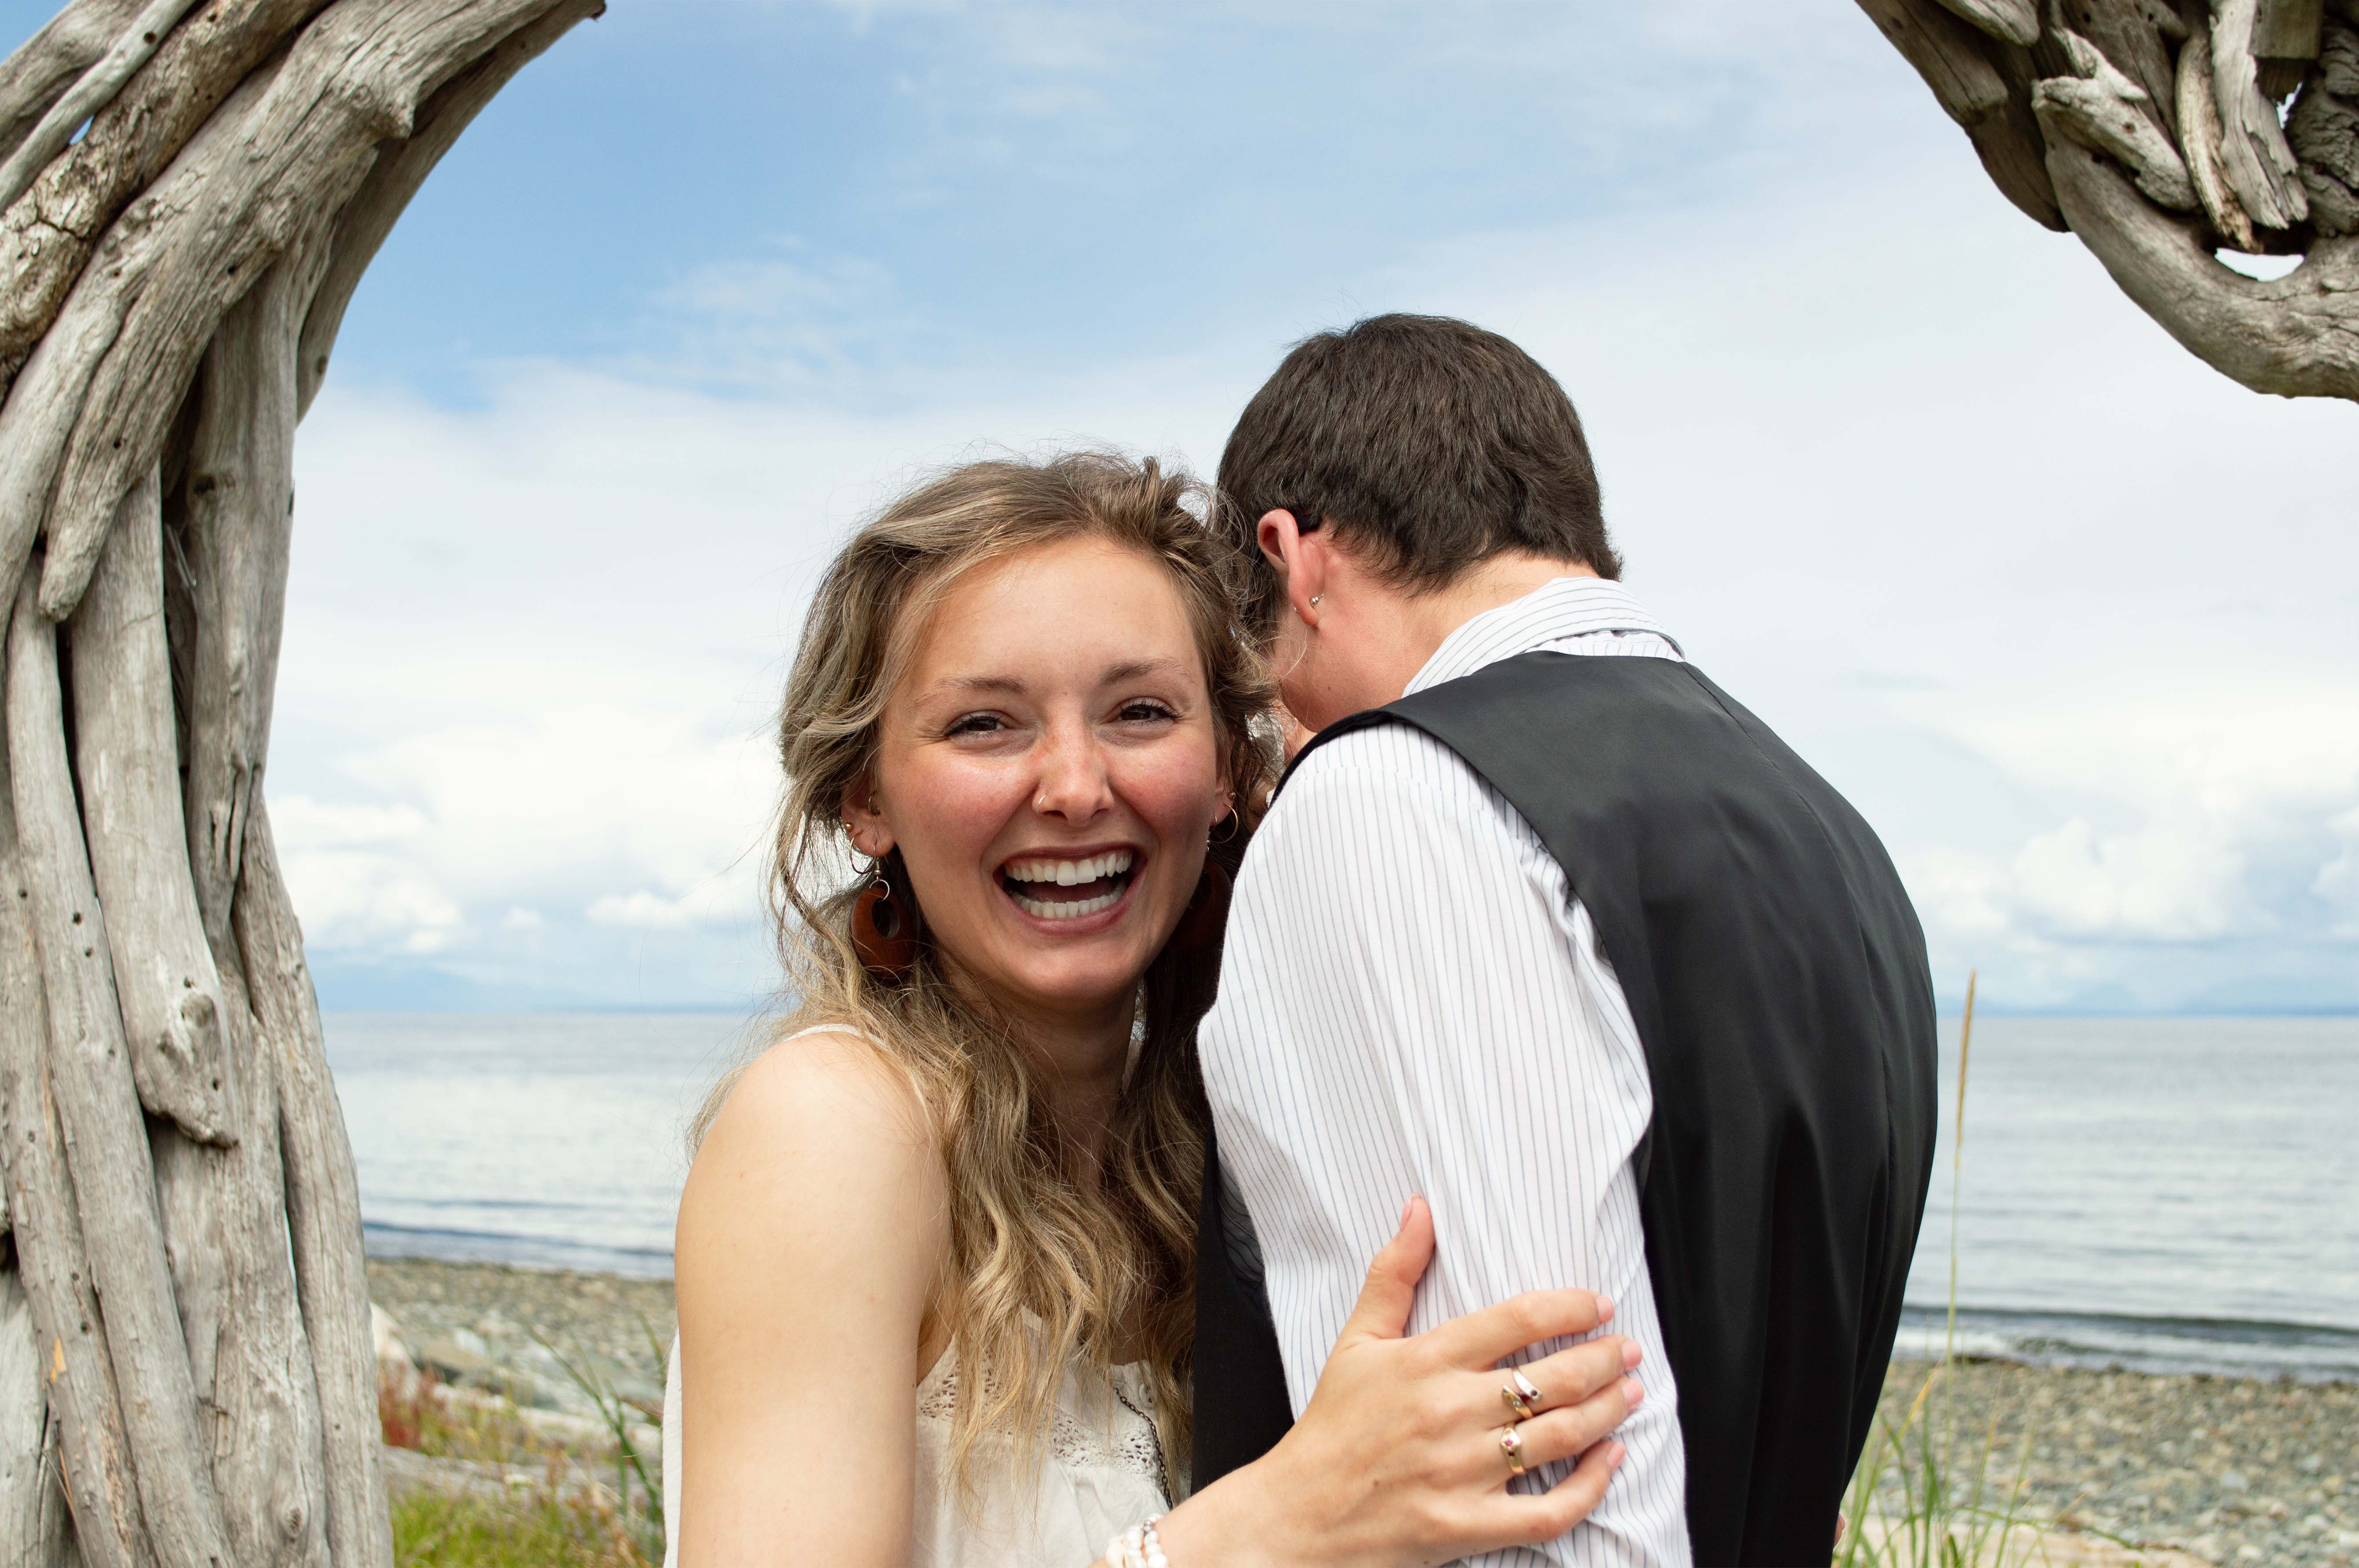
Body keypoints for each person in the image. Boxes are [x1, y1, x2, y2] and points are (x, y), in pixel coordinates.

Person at [662, 453, 1649, 1568]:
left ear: (1225, 769)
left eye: (1139, 711)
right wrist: (1276, 1523)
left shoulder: (1206, 1137)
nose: (1077, 786)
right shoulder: (832, 1124)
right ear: (866, 798)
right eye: (985, 724)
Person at [1192, 314, 1941, 1567]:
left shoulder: (1388, 796)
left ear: (1290, 558)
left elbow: (1541, 1509)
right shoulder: (1835, 833)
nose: (1272, 717)